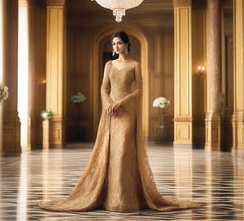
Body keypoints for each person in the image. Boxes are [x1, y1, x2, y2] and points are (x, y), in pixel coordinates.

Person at [39, 31, 200, 212]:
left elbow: (139, 90)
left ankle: (124, 197)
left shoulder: (135, 64)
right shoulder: (109, 65)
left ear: (127, 45)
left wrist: (121, 103)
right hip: (110, 112)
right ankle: (109, 196)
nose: (116, 47)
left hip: (127, 111)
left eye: (119, 43)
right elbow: (103, 88)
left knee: (123, 148)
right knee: (111, 150)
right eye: (113, 44)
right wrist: (109, 104)